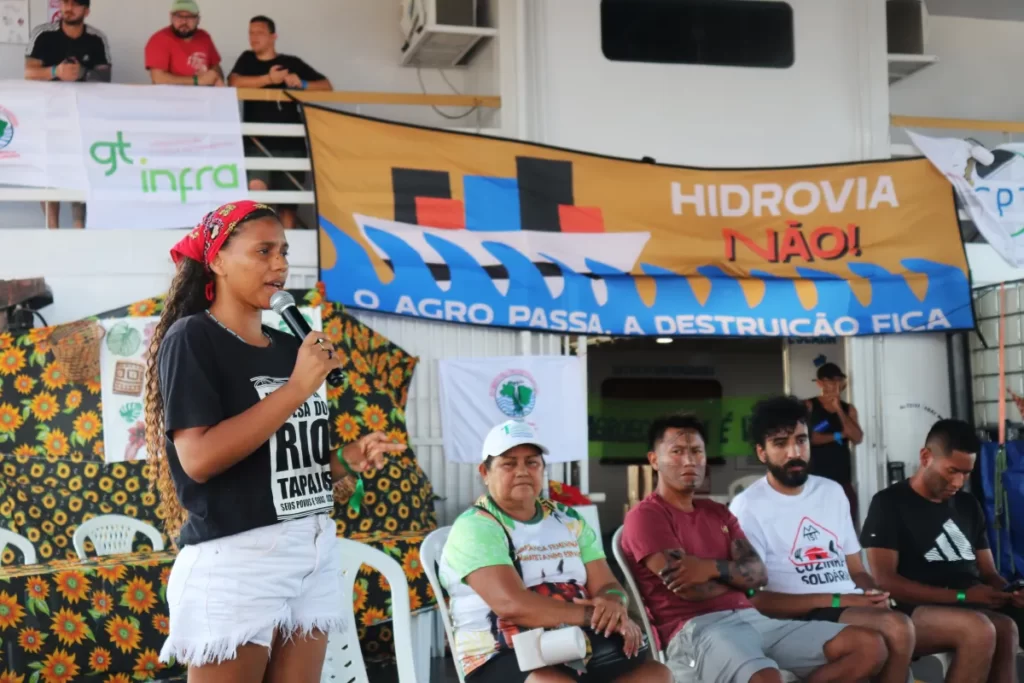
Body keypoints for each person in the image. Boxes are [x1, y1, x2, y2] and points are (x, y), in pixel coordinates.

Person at [144, 200, 406, 682]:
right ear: (218, 260)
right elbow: (198, 459)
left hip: (310, 547)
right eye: (263, 251)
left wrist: (347, 460)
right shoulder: (193, 339)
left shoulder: (291, 349)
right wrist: (296, 389)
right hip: (239, 557)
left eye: (284, 251)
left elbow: (287, 470)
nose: (281, 264)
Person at [732, 397, 996, 683]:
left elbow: (856, 570)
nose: (794, 452)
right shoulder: (748, 507)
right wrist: (838, 598)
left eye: (801, 440)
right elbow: (756, 599)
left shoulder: (831, 492)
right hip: (797, 615)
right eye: (780, 444)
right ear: (762, 452)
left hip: (846, 606)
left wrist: (872, 593)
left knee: (901, 626)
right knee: (896, 629)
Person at [620, 414, 888, 683]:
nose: (690, 460)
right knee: (766, 678)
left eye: (697, 451)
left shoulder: (718, 513)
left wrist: (709, 568)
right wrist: (738, 580)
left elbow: (760, 575)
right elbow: (691, 590)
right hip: (696, 630)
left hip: (754, 618)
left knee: (868, 647)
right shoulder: (646, 516)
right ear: (654, 459)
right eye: (677, 452)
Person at [439, 419, 671, 683]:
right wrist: (594, 616)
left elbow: (607, 584)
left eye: (532, 462)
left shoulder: (566, 518)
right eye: (509, 463)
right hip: (501, 654)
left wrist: (614, 605)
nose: (522, 471)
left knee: (656, 675)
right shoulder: (476, 527)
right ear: (485, 472)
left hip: (575, 646)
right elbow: (512, 605)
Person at [863, 419, 1024, 683]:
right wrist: (960, 596)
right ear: (926, 457)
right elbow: (885, 580)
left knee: (1006, 627)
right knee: (979, 629)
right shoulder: (889, 503)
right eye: (952, 471)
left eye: (966, 473)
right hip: (913, 610)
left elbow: (989, 572)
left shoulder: (968, 505)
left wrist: (1008, 591)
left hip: (969, 602)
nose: (959, 481)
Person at [228, 16, 332, 229]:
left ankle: (286, 256)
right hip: (256, 143)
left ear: (273, 36)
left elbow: (326, 86)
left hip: (290, 145)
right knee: (256, 195)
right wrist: (269, 79)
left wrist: (301, 83)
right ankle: (260, 251)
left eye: (259, 33)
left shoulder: (290, 63)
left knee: (288, 208)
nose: (253, 37)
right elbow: (233, 82)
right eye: (250, 33)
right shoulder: (247, 60)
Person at [24, 0, 110, 229]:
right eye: (65, 2)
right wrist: (56, 71)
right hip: (47, 115)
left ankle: (78, 225)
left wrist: (81, 72)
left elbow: (106, 78)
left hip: (83, 116)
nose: (69, 8)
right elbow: (29, 72)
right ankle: (51, 227)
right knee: (49, 170)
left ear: (87, 10)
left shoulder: (96, 39)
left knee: (80, 168)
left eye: (75, 4)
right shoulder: (43, 34)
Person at [805, 363, 862, 522]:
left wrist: (838, 408)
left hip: (841, 478)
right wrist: (840, 435)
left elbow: (857, 437)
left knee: (845, 522)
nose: (835, 385)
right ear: (820, 383)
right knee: (816, 523)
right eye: (830, 380)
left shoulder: (848, 408)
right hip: (815, 478)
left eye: (838, 380)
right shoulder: (809, 405)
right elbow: (809, 438)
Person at [145, 0, 224, 86]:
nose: (184, 22)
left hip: (204, 96)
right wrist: (197, 80)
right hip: (172, 98)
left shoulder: (204, 36)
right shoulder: (159, 39)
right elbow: (158, 78)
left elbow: (215, 66)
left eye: (190, 17)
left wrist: (216, 76)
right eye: (179, 16)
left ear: (198, 19)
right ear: (171, 17)